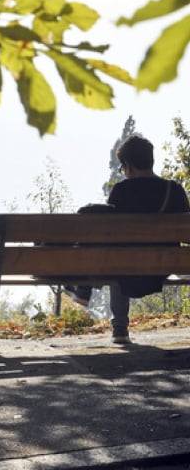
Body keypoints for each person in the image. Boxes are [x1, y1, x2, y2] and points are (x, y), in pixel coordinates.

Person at [64, 134, 190, 344]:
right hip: (164, 265)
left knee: (120, 255)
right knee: (123, 256)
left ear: (128, 166)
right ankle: (88, 292)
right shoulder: (174, 190)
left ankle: (119, 328)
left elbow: (109, 234)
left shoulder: (121, 190)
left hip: (126, 267)